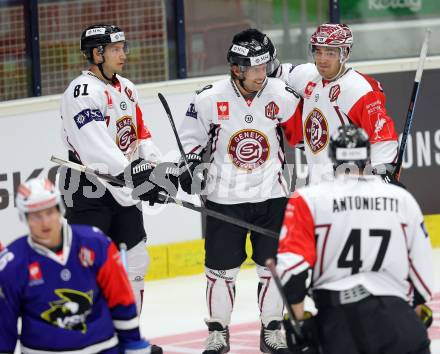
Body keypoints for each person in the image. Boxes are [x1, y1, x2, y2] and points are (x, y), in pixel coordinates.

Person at [177, 28, 303, 354]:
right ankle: (218, 331)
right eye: (256, 68)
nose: (263, 73)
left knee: (271, 267)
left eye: (266, 66)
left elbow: (301, 136)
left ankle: (272, 328)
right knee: (220, 272)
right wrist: (188, 165)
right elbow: (191, 140)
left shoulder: (282, 95)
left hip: (272, 196)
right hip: (225, 199)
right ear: (237, 68)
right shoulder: (208, 97)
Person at [60, 23, 177, 336]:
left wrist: (154, 168)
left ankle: (129, 335)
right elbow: (94, 145)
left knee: (137, 261)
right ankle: (91, 337)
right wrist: (135, 174)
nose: (123, 54)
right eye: (115, 49)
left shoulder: (126, 86)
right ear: (97, 54)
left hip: (125, 187)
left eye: (122, 47)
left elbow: (140, 134)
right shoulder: (81, 92)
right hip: (88, 188)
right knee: (90, 266)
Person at [276, 125, 433, 354]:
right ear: (367, 157)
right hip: (399, 323)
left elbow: (292, 271)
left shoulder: (309, 199)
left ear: (332, 157)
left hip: (340, 325)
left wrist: (298, 324)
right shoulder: (401, 198)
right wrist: (415, 312)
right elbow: (423, 277)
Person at [0, 177, 154, 353]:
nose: (44, 222)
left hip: (102, 349)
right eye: (36, 215)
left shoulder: (95, 243)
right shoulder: (12, 263)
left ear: (60, 209)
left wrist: (133, 342)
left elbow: (120, 297)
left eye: (49, 212)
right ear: (24, 217)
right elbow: (4, 327)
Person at [272, 23, 400, 185]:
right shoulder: (309, 76)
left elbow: (382, 137)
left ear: (345, 53)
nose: (322, 59)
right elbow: (277, 73)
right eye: (318, 52)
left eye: (330, 53)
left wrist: (384, 173)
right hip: (320, 186)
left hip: (353, 189)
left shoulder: (359, 89)